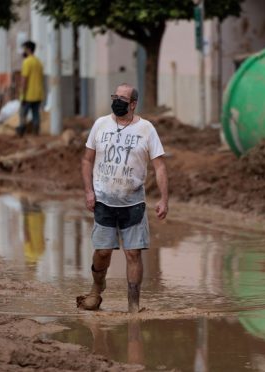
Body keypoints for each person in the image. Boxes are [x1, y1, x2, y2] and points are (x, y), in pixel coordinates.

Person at [77, 83, 169, 313]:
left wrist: (164, 199)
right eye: (114, 96)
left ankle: (133, 306)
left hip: (133, 203)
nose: (117, 101)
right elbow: (87, 160)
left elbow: (159, 166)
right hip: (103, 202)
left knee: (133, 253)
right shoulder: (100, 124)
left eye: (122, 98)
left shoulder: (146, 129)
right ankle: (97, 288)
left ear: (133, 104)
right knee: (102, 252)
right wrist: (89, 191)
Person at [18, 41, 44, 136]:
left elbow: (24, 80)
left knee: (22, 113)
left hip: (28, 94)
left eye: (24, 48)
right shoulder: (39, 62)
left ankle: (21, 131)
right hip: (38, 94)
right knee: (36, 114)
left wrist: (22, 95)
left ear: (28, 49)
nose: (23, 51)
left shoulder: (27, 62)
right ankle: (35, 132)